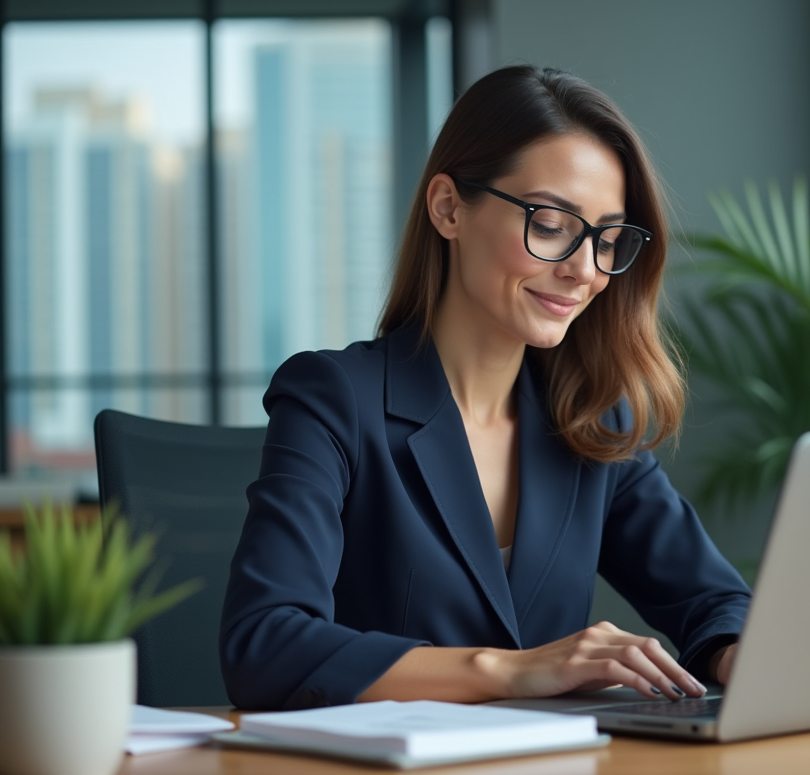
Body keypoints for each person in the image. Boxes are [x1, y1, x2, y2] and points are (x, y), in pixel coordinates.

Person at [220, 65, 752, 711]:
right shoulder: (333, 399)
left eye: (607, 239)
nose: (584, 271)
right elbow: (266, 646)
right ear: (449, 208)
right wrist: (512, 670)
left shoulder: (589, 418)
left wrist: (743, 651)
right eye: (552, 224)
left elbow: (715, 601)